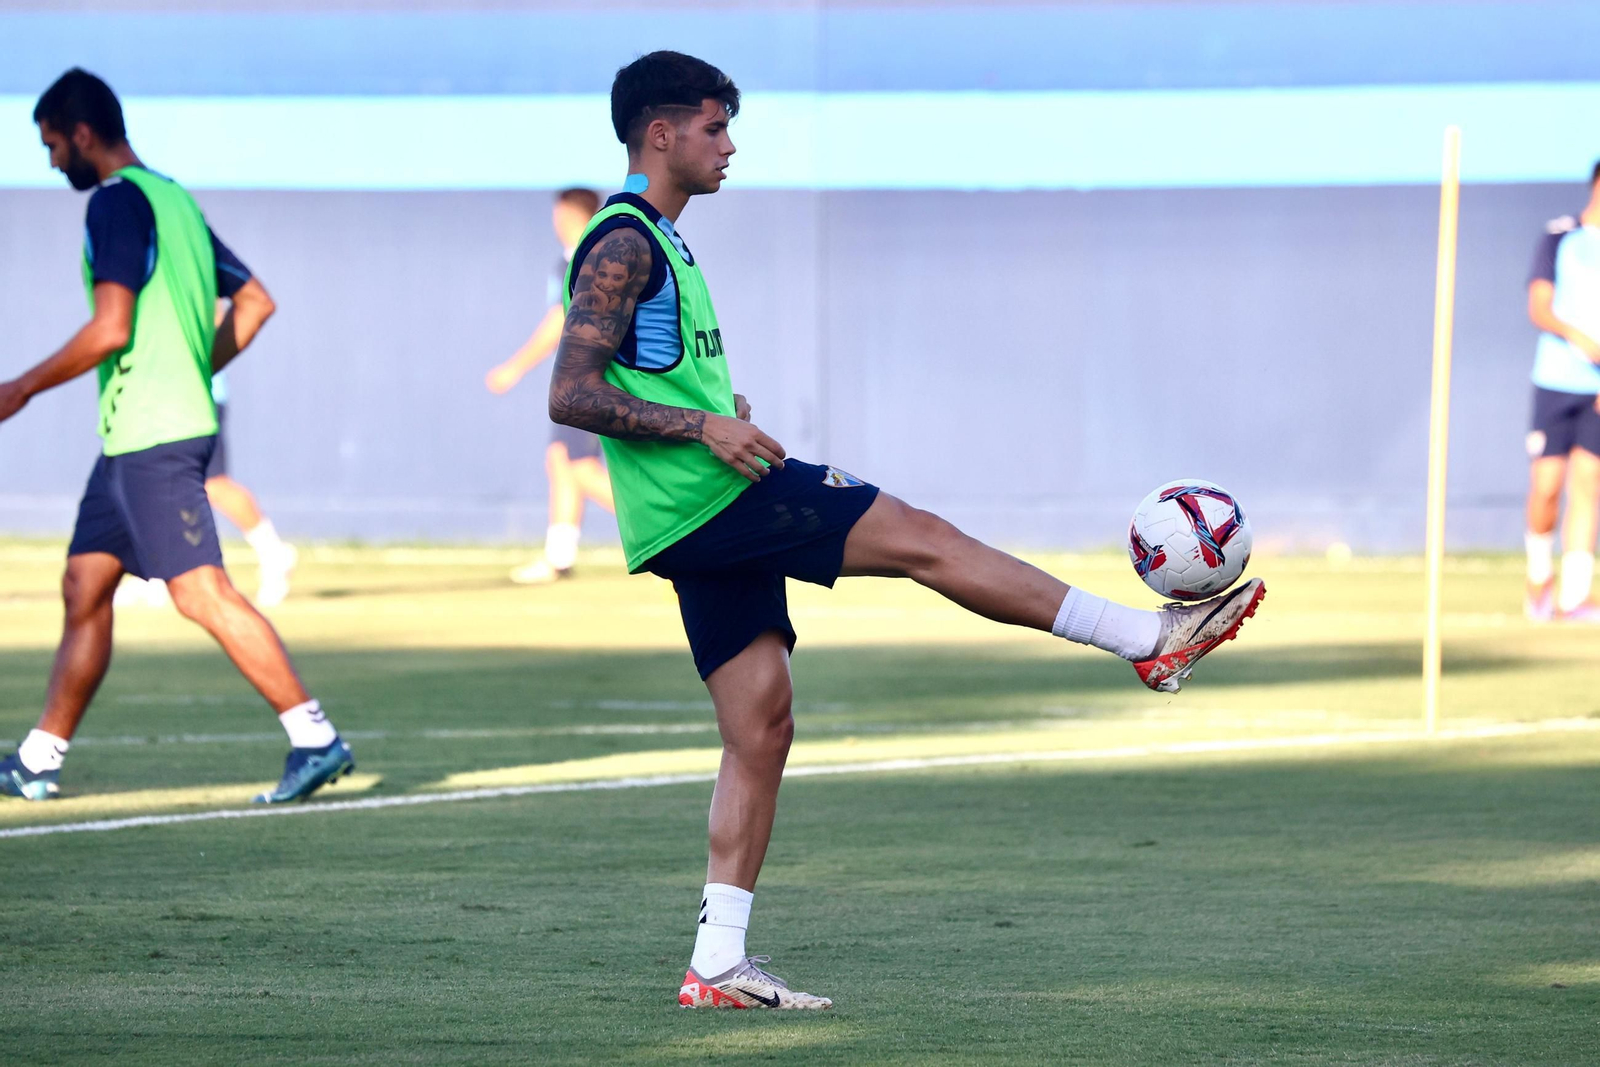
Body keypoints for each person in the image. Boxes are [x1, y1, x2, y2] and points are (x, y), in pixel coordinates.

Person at [546, 51, 1267, 1010]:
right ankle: (1147, 638)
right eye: (715, 129)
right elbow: (570, 392)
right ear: (661, 132)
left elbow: (639, 371)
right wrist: (704, 426)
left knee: (760, 726)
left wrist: (715, 405)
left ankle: (716, 962)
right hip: (713, 499)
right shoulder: (624, 239)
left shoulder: (660, 239)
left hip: (697, 510)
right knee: (924, 537)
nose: (730, 147)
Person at [0, 69, 353, 803]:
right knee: (84, 585)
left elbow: (111, 327)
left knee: (200, 593)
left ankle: (314, 736)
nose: (52, 162)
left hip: (152, 435)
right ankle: (38, 759)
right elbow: (255, 302)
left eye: (53, 145)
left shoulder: (115, 202)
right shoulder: (175, 201)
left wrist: (21, 387)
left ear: (83, 134)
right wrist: (194, 366)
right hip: (134, 433)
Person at [486, 188, 615, 584]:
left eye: (561, 214)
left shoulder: (586, 258)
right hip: (576, 377)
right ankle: (559, 557)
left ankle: (673, 527)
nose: (556, 222)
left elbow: (561, 320)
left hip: (591, 378)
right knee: (560, 459)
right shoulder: (570, 259)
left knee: (579, 466)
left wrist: (514, 368)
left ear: (575, 215)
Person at [115, 364, 299, 608]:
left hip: (193, 398)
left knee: (213, 484)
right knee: (161, 482)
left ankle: (274, 554)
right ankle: (156, 574)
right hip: (167, 399)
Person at [1523, 161, 1600, 623]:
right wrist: (1578, 337)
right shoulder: (1560, 236)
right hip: (1556, 381)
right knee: (1548, 486)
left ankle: (1575, 596)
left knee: (1589, 483)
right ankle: (1538, 580)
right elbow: (1539, 306)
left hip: (1597, 389)